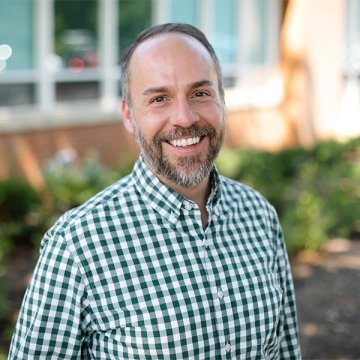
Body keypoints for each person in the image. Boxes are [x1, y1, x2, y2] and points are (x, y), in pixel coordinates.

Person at [9, 23, 301, 359]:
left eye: (201, 93)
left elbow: (285, 351)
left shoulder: (259, 215)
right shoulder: (77, 246)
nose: (184, 118)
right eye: (159, 98)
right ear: (129, 117)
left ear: (223, 100)